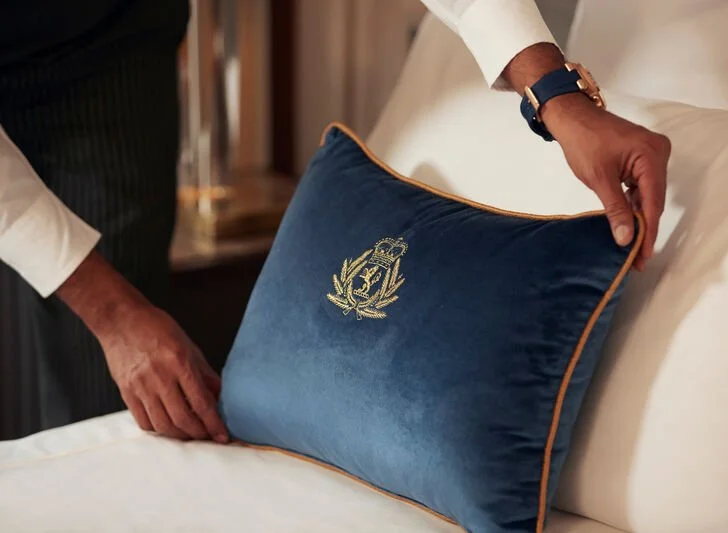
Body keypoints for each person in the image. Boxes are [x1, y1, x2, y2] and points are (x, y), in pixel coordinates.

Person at [0, 0, 668, 441]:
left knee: (108, 387)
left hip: (111, 41)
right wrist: (114, 316)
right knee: (103, 317)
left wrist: (556, 97)